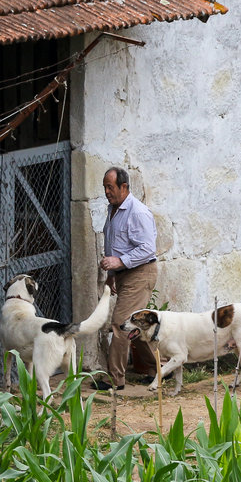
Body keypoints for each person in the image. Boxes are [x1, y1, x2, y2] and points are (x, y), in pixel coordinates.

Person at [92, 166, 158, 391]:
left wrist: (119, 262)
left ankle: (115, 379)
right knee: (137, 325)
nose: (107, 192)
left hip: (140, 273)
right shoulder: (112, 210)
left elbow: (148, 248)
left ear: (124, 187)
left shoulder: (137, 212)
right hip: (124, 275)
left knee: (121, 325)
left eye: (110, 187)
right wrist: (112, 275)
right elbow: (113, 245)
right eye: (104, 188)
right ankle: (159, 368)